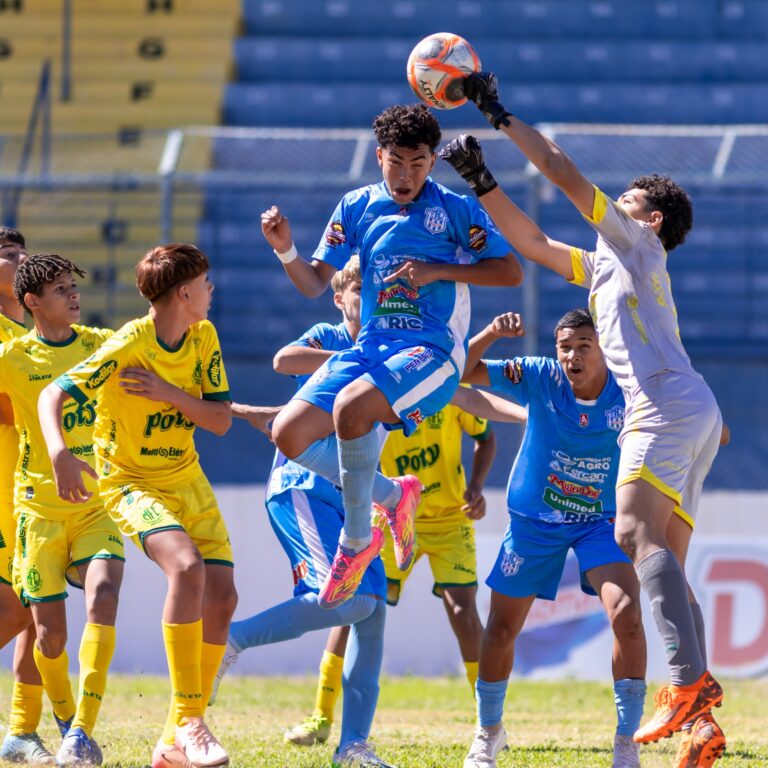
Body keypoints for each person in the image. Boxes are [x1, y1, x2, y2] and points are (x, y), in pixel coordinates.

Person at [441, 72, 726, 767]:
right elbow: (533, 243)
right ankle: (702, 721)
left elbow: (563, 173)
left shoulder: (636, 242)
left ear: (648, 218)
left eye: (625, 201)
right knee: (666, 563)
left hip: (660, 406)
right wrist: (482, 182)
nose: (613, 206)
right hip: (694, 411)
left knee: (630, 533)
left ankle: (686, 685)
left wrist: (499, 116)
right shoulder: (608, 269)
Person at [261, 103, 523, 609]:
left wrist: (438, 271)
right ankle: (392, 495)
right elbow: (316, 284)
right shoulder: (357, 206)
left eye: (419, 163)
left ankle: (357, 542)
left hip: (432, 353)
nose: (406, 175)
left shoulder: (454, 208)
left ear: (432, 162)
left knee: (349, 411)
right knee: (288, 433)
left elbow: (510, 271)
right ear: (379, 156)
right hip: (371, 348)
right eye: (396, 163)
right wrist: (286, 249)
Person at [38, 244, 236, 768]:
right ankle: (193, 723)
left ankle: (174, 741)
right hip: (130, 482)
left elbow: (219, 420)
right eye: (206, 282)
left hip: (187, 480)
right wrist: (60, 451)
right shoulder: (130, 344)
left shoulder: (204, 336)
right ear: (186, 292)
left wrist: (167, 392)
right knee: (186, 567)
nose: (213, 290)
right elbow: (52, 395)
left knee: (223, 599)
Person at [213, 259, 397, 768]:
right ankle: (231, 639)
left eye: (380, 290)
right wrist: (355, 351)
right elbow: (283, 360)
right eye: (360, 289)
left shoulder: (397, 349)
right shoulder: (332, 336)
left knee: (373, 613)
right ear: (341, 298)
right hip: (303, 488)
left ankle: (354, 746)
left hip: (352, 498)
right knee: (347, 600)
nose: (372, 298)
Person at [454, 309, 646, 768]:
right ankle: (489, 733)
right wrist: (492, 332)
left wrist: (706, 427)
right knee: (500, 629)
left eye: (584, 345)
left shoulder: (630, 389)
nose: (574, 355)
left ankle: (627, 741)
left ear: (603, 349)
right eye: (566, 346)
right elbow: (460, 371)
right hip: (535, 520)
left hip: (600, 521)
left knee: (627, 614)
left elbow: (677, 415)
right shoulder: (539, 375)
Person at [286, 399, 497, 747]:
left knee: (463, 612)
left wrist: (476, 487)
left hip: (449, 520)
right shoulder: (381, 398)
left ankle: (489, 724)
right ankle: (321, 716)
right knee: (354, 605)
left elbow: (486, 438)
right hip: (391, 514)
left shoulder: (452, 392)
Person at [0, 254, 125, 766]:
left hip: (97, 509)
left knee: (104, 593)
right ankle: (66, 721)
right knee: (49, 634)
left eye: (74, 286)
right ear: (31, 303)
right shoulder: (11, 360)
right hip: (37, 513)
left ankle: (81, 731)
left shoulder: (101, 345)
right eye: (60, 290)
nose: (74, 295)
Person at [0, 229, 57, 765]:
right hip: (4, 490)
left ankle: (21, 729)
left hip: (30, 487)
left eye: (24, 256)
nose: (19, 263)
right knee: (21, 606)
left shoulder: (29, 337)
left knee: (41, 604)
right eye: (8, 257)